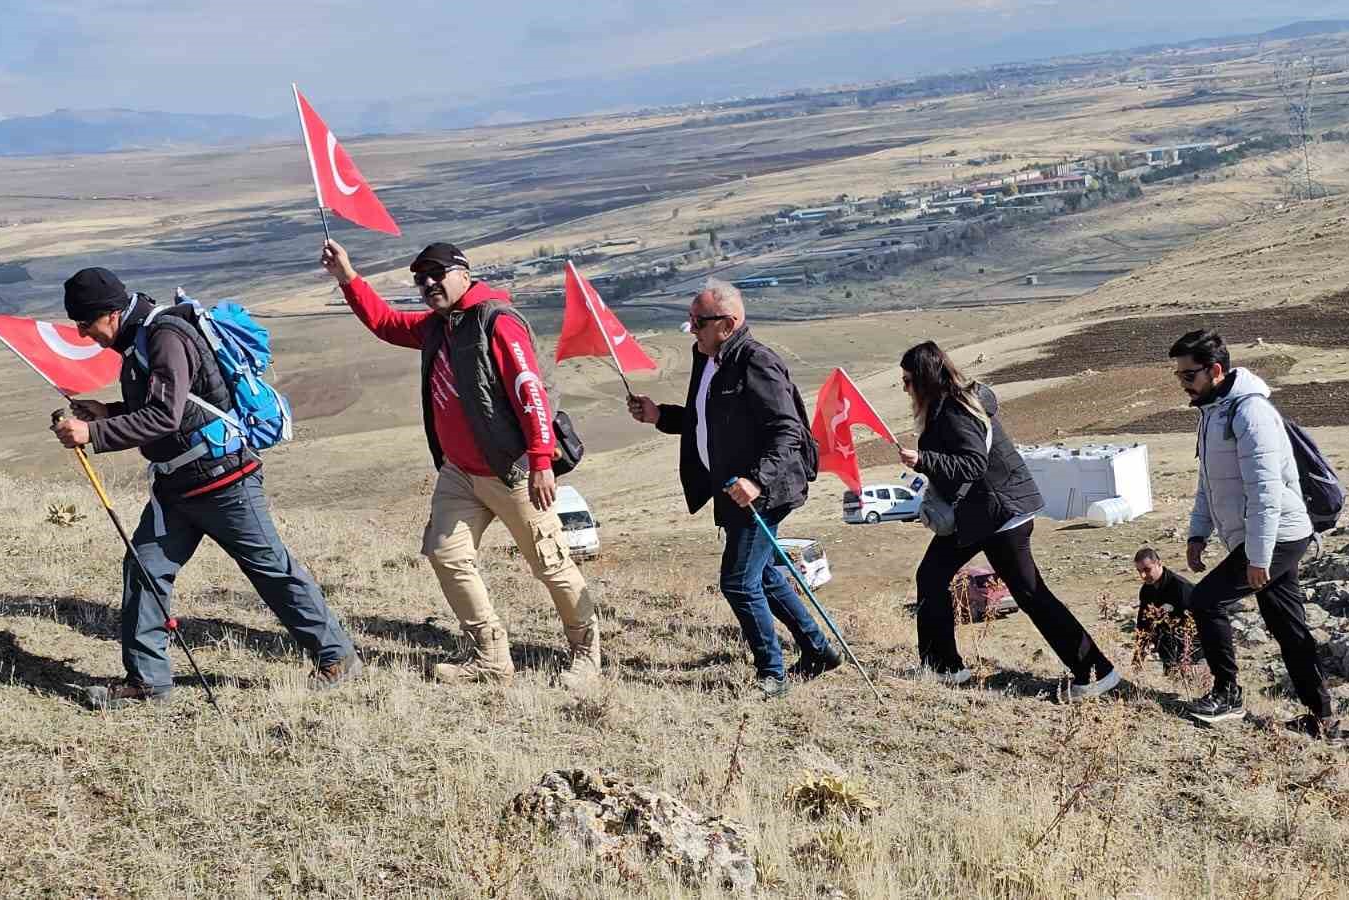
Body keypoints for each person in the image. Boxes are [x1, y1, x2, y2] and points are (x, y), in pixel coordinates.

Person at [50, 266, 360, 709]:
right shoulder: (142, 340)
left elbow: (164, 417)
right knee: (144, 569)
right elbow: (165, 407)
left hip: (223, 479)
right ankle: (148, 682)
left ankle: (336, 657)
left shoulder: (164, 337)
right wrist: (107, 412)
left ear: (111, 314)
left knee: (271, 568)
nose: (84, 335)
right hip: (178, 482)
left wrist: (93, 435)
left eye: (85, 324)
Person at [320, 239, 598, 690]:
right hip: (460, 473)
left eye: (438, 274)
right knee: (446, 555)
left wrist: (542, 461)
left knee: (550, 563)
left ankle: (586, 654)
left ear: (464, 273)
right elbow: (387, 324)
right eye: (421, 279)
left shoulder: (497, 321)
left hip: (513, 472)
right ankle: (490, 655)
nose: (429, 284)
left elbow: (532, 394)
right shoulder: (438, 326)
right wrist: (348, 277)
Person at [625, 278, 837, 698]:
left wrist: (757, 479)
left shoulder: (756, 362)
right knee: (764, 576)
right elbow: (706, 420)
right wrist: (659, 415)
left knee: (739, 581)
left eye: (698, 322)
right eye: (691, 321)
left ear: (728, 322)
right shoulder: (708, 359)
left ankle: (771, 674)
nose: (692, 329)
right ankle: (818, 650)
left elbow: (788, 430)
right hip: (733, 488)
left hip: (765, 491)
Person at [896, 340, 1119, 699]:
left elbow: (972, 464)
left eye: (908, 381)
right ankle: (942, 666)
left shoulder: (954, 410)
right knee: (932, 575)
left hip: (1000, 516)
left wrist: (922, 461)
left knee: (1031, 594)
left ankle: (1095, 671)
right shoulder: (951, 404)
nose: (905, 389)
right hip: (982, 515)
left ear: (923, 379)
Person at [1170, 329, 1335, 738]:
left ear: (1215, 371)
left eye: (1188, 376)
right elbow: (1210, 482)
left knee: (1206, 601)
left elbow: (1265, 491)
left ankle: (1228, 695)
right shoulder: (1213, 413)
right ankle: (1321, 716)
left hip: (1278, 534)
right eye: (1179, 377)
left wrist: (1259, 556)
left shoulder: (1250, 413)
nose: (1183, 386)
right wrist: (1198, 533)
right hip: (1261, 536)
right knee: (1287, 625)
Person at [1133, 547, 1198, 673]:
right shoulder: (1146, 590)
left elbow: (1198, 620)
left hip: (1193, 647)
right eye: (1139, 571)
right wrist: (1138, 656)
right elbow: (1143, 624)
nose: (1143, 575)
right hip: (1167, 647)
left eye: (1147, 570)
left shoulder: (1181, 587)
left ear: (1159, 564)